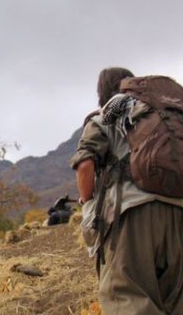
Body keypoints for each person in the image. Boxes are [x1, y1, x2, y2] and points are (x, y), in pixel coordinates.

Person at [71, 67, 183, 314]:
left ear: (102, 92)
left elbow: (85, 164)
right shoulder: (164, 118)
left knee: (127, 297)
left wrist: (87, 203)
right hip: (177, 214)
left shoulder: (105, 118)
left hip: (131, 217)